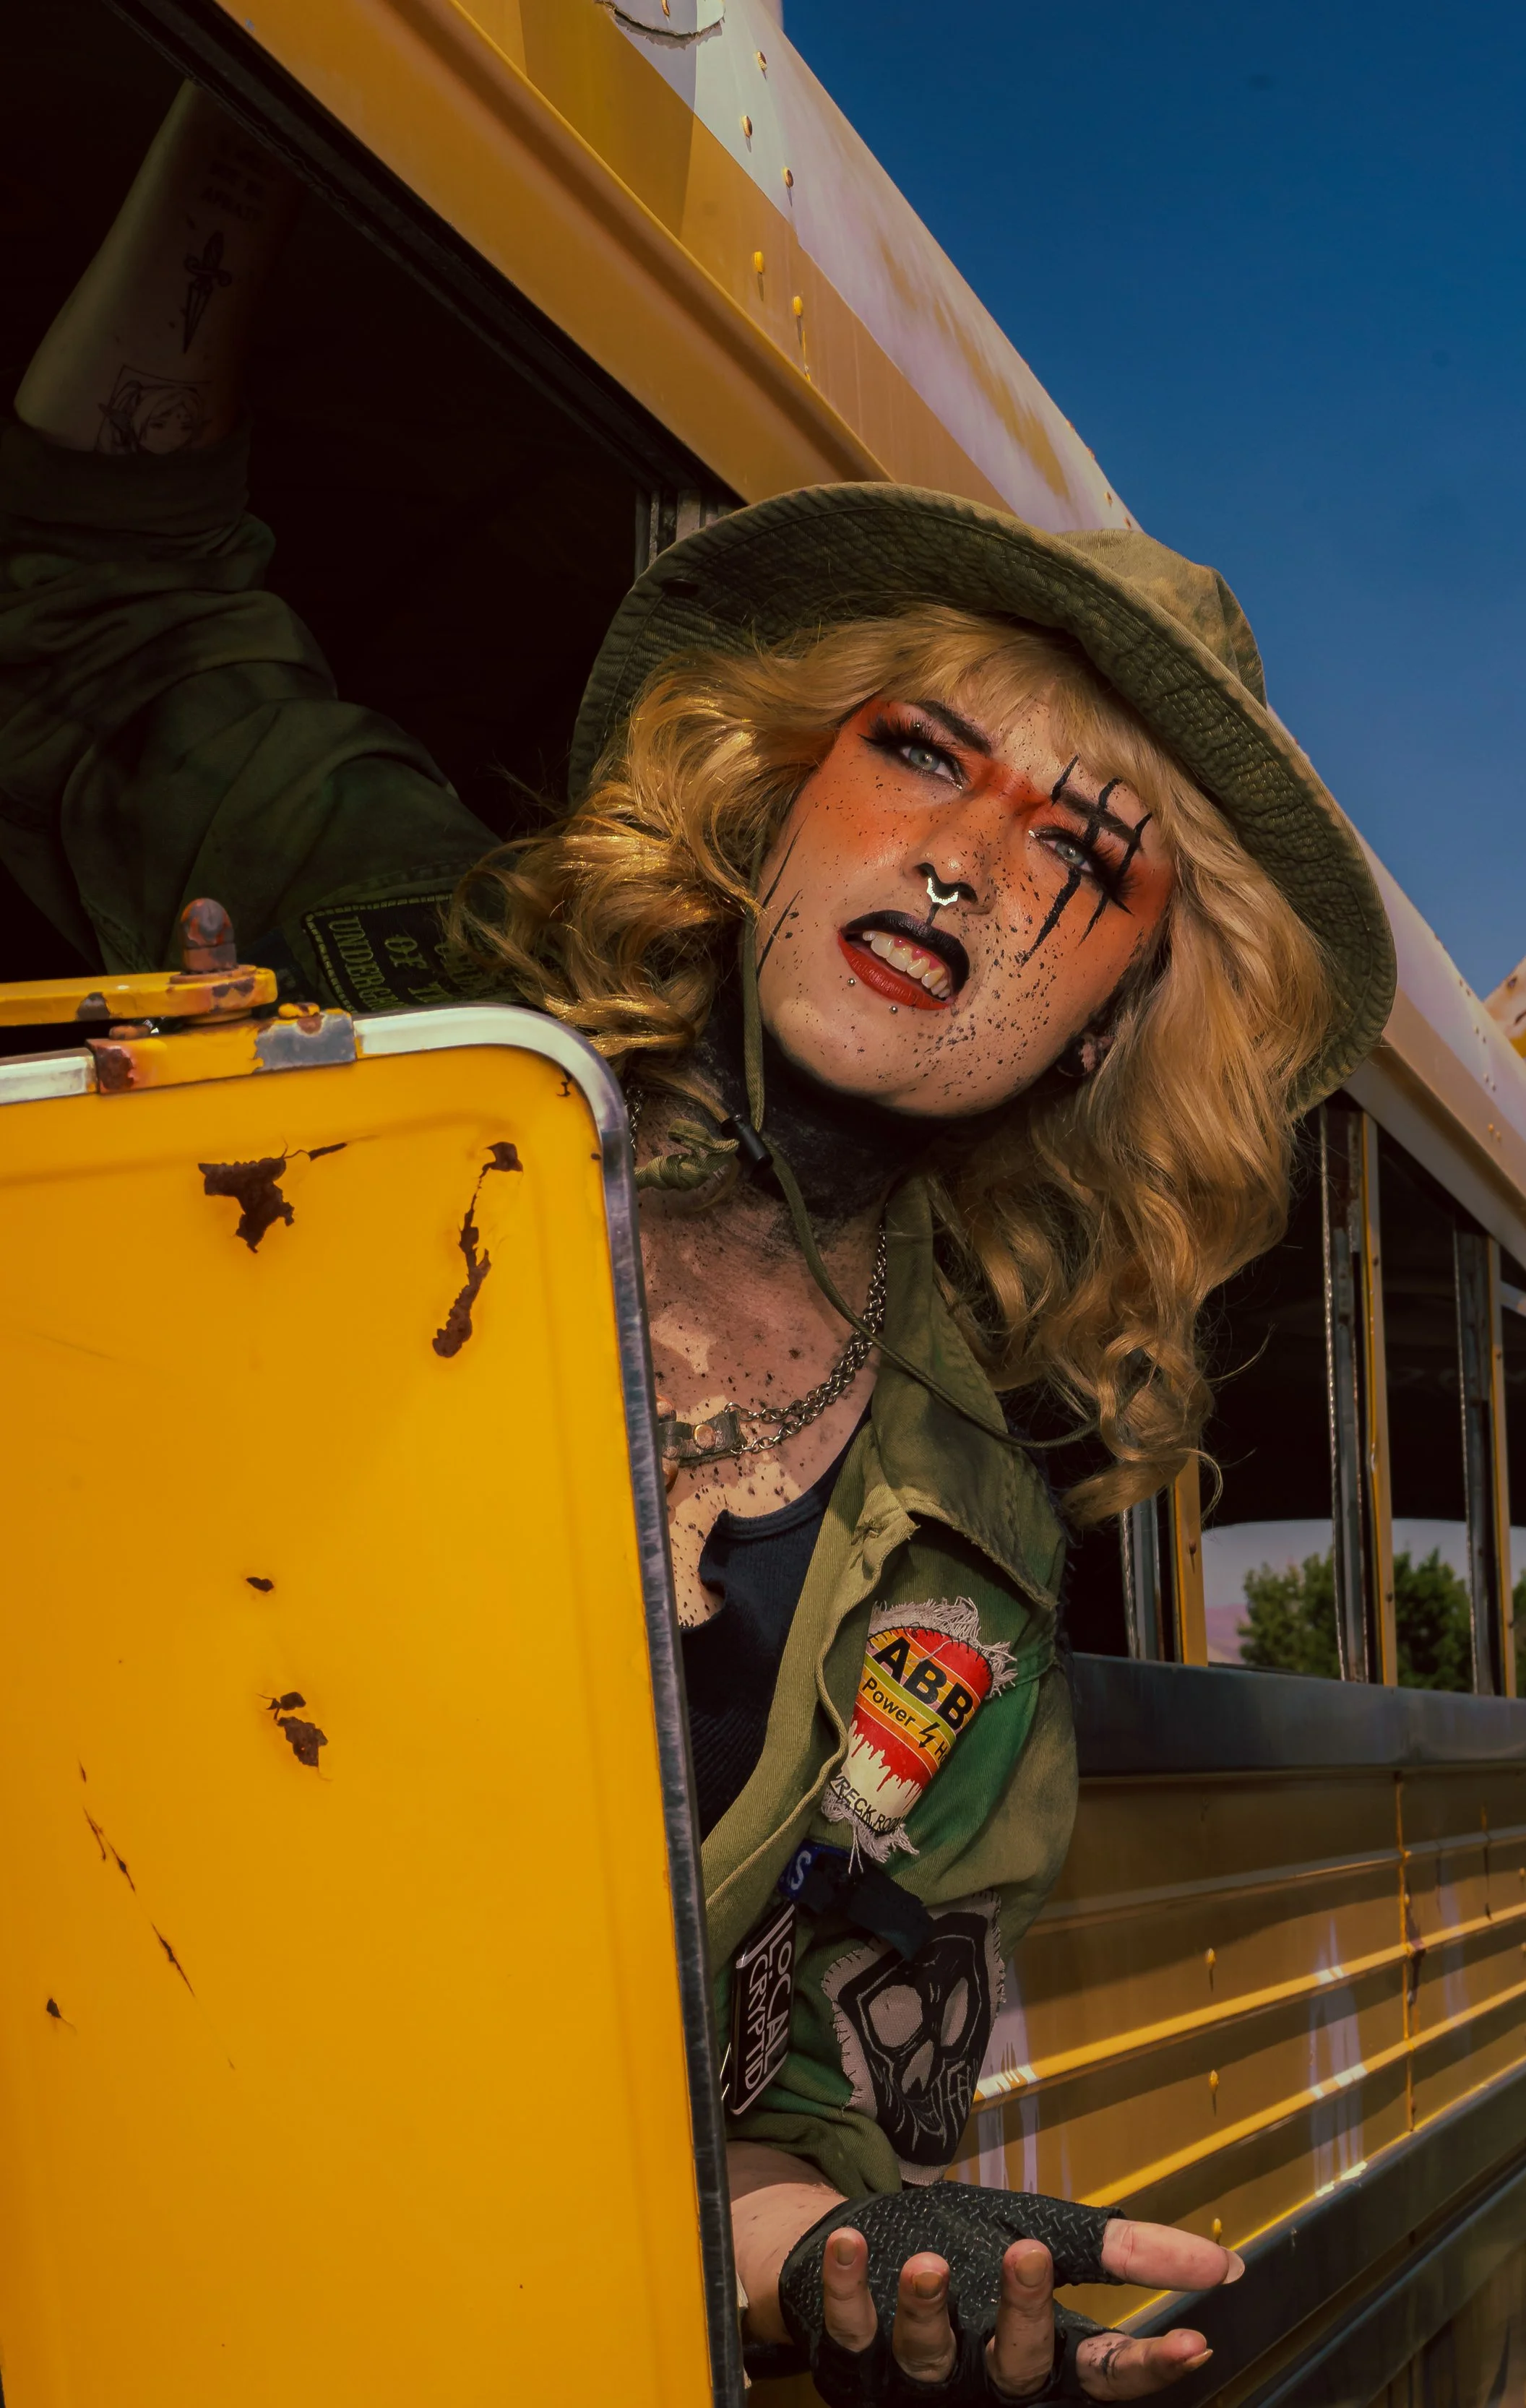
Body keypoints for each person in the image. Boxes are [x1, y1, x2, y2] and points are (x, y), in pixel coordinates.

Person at [1, 85, 1395, 2406]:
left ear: (1121, 1021)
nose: (972, 858)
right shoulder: (420, 966)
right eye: (926, 749)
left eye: (1090, 848)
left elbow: (779, 2097)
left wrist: (839, 2253)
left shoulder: (960, 1568)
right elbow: (90, 585)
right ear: (786, 776)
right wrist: (285, 97)